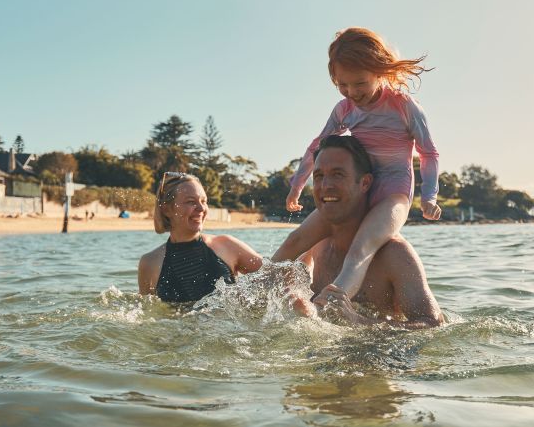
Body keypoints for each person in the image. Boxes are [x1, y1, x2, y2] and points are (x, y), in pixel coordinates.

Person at [273, 27, 442, 306]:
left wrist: (429, 197)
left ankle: (332, 302)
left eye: (360, 83)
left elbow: (429, 153)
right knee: (295, 240)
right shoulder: (344, 110)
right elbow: (317, 146)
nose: (352, 92)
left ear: (380, 71)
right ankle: (248, 291)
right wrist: (297, 185)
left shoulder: (405, 107)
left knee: (360, 248)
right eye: (343, 85)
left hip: (393, 194)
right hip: (358, 189)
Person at [287, 135, 443, 328]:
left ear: (365, 183)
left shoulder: (396, 255)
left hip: (378, 356)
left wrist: (359, 321)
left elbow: (434, 324)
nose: (326, 186)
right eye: (319, 176)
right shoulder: (316, 244)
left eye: (338, 174)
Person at [138, 172, 263, 303]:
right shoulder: (149, 263)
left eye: (204, 201)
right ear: (166, 209)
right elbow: (147, 315)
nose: (201, 208)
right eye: (191, 202)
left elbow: (276, 276)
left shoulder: (227, 245)